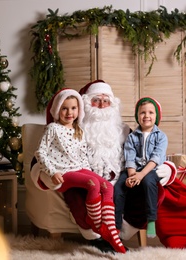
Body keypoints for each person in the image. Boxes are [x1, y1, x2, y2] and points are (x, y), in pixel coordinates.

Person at [62, 81, 176, 251]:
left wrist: (168, 167)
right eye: (96, 101)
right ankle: (97, 237)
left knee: (150, 188)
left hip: (120, 179)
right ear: (87, 104)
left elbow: (145, 154)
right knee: (76, 191)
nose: (101, 105)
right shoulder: (75, 130)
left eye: (106, 101)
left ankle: (119, 233)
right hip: (89, 182)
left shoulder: (124, 131)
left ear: (112, 105)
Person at [34, 88, 126, 254]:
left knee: (107, 186)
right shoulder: (53, 129)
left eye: (73, 108)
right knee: (92, 185)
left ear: (79, 110)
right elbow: (40, 152)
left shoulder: (79, 130)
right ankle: (98, 225)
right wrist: (52, 172)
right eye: (65, 108)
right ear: (57, 110)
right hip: (63, 173)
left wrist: (88, 171)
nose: (69, 113)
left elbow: (82, 156)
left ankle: (110, 230)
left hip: (79, 168)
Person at [114, 97, 167, 239]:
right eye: (143, 113)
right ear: (138, 116)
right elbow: (129, 157)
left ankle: (151, 220)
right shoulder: (132, 136)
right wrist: (132, 175)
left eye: (151, 112)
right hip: (134, 170)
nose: (147, 116)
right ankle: (116, 225)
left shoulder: (161, 137)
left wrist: (141, 175)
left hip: (150, 170)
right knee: (118, 187)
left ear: (156, 116)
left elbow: (156, 158)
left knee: (149, 182)